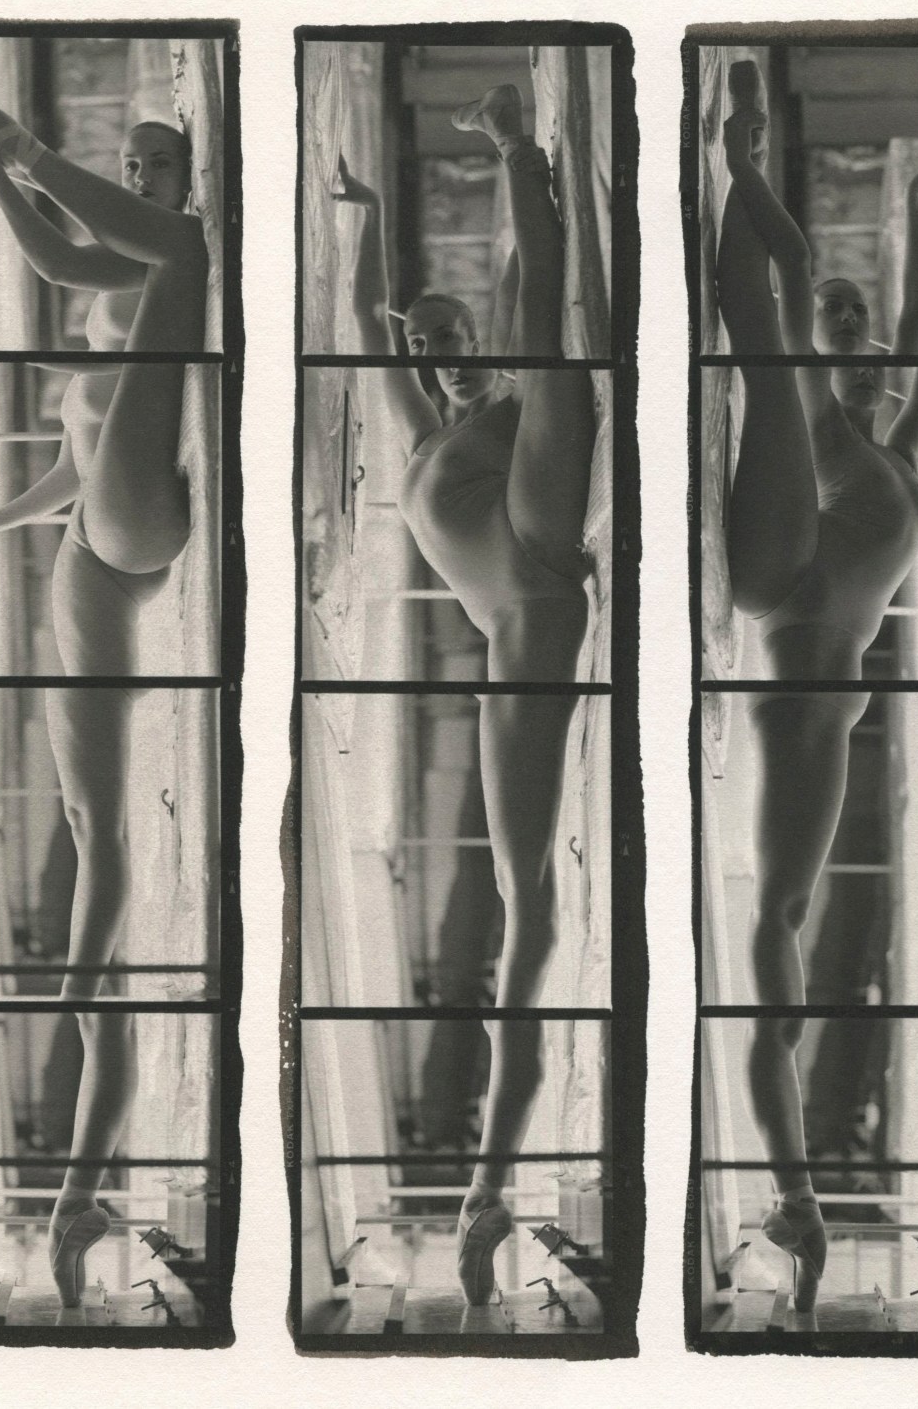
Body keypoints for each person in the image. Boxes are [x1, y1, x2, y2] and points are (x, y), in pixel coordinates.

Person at [0, 80, 209, 1309]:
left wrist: (19, 161)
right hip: (96, 535)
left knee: (96, 828)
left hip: (130, 530)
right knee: (90, 817)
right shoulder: (118, 288)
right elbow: (71, 457)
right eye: (132, 163)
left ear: (189, 179)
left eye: (157, 163)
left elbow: (76, 255)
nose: (141, 177)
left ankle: (90, 993)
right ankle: (84, 1172)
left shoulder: (172, 262)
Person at [333, 78, 599, 1307]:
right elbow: (363, 316)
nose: (433, 349)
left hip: (537, 602)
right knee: (518, 909)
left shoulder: (508, 407)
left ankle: (492, 1179)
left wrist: (513, 161)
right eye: (422, 339)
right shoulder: (424, 428)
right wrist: (365, 218)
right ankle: (491, 1183)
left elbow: (536, 303)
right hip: (508, 641)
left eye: (448, 334)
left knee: (526, 913)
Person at [714, 57, 918, 1330]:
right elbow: (808, 299)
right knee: (778, 932)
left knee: (791, 926)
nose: (857, 333)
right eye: (839, 322)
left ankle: (792, 1194)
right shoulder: (818, 417)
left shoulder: (899, 446)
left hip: (830, 690)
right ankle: (790, 1190)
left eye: (861, 322)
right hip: (797, 657)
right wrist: (752, 170)